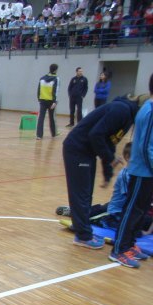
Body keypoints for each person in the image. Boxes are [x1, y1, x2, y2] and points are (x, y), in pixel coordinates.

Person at [62, 94, 143, 249]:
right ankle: (83, 236)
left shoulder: (127, 116)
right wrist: (110, 158)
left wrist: (107, 173)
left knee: (86, 195)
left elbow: (110, 142)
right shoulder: (121, 110)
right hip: (77, 149)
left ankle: (83, 230)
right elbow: (96, 134)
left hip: (87, 152)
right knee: (81, 195)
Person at [110, 79, 153, 268]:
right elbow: (145, 147)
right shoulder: (150, 110)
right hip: (143, 170)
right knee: (132, 210)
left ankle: (129, 245)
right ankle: (119, 249)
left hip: (147, 171)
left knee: (141, 211)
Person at [36, 63, 60, 140]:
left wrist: (39, 99)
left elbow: (39, 89)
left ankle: (39, 135)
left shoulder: (42, 78)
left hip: (42, 100)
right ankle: (53, 134)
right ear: (56, 70)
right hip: (51, 101)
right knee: (52, 118)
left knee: (41, 118)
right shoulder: (56, 79)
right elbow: (56, 90)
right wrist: (55, 101)